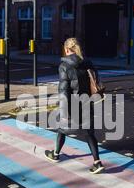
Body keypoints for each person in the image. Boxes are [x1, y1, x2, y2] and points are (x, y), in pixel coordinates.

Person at [44, 38, 105, 174]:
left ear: (66, 49)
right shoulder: (87, 63)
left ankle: (55, 154)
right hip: (86, 102)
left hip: (72, 102)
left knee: (61, 128)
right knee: (89, 133)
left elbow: (64, 90)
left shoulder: (64, 66)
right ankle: (97, 162)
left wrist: (64, 112)